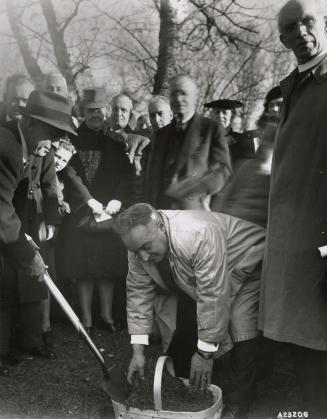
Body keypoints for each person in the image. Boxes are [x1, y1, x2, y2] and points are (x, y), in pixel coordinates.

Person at [114, 203, 265, 419]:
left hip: (248, 259)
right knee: (207, 323)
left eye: (147, 246)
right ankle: (219, 380)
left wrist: (204, 354)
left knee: (241, 324)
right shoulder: (139, 249)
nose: (144, 257)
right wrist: (138, 351)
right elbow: (138, 293)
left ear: (160, 225)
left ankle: (239, 401)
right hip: (216, 271)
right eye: (136, 251)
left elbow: (212, 294)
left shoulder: (196, 234)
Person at [259, 1, 327, 418]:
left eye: (308, 21)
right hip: (294, 244)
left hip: (321, 245)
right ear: (282, 38)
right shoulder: (293, 87)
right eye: (290, 27)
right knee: (306, 347)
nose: (300, 31)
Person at [0, 90, 76, 373]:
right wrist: (26, 250)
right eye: (51, 133)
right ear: (30, 124)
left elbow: (39, 191)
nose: (56, 142)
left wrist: (27, 235)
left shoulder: (34, 146)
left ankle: (13, 347)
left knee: (12, 284)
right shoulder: (6, 147)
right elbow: (2, 208)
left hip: (8, 221)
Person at [146, 74, 231, 210]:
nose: (179, 99)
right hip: (160, 211)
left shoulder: (211, 129)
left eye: (183, 94)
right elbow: (152, 176)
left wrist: (200, 187)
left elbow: (223, 169)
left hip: (192, 210)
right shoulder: (161, 134)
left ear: (194, 98)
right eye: (174, 94)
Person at [204, 99, 255, 168]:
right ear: (211, 115)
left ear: (232, 116)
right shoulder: (201, 139)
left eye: (225, 112)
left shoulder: (242, 141)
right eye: (217, 112)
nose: (220, 115)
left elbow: (246, 170)